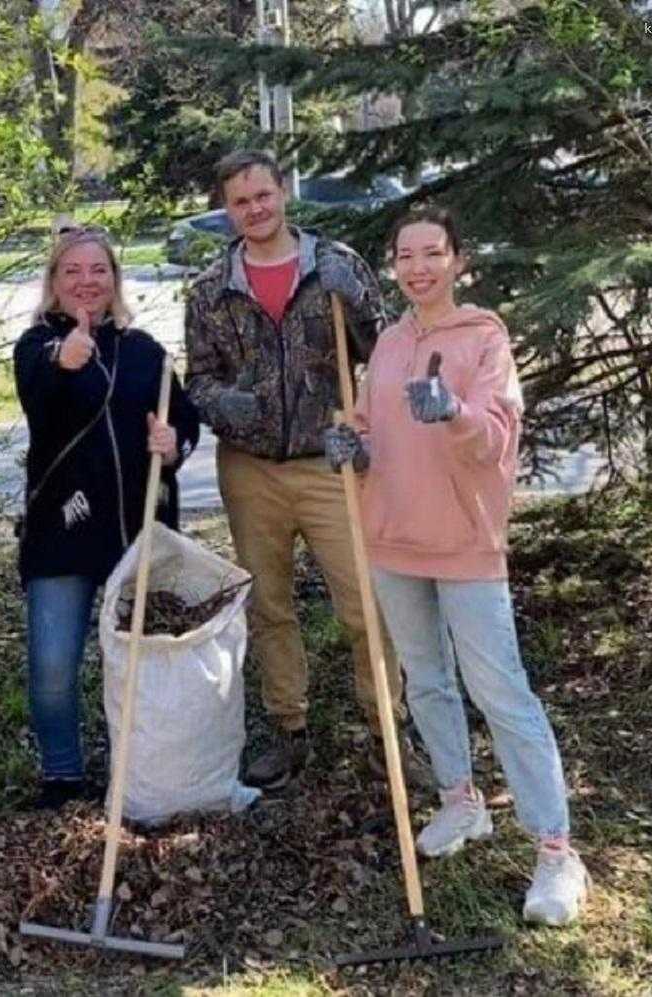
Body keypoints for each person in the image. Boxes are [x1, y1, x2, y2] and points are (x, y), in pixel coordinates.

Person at [324, 206, 589, 925]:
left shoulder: (483, 336)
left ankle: (557, 851)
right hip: (392, 541)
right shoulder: (386, 343)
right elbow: (375, 429)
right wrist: (355, 445)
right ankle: (460, 801)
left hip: (466, 543)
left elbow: (496, 436)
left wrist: (454, 414)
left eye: (432, 253)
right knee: (426, 680)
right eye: (405, 256)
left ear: (458, 260)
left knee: (500, 689)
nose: (417, 267)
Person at [183, 149, 419, 792]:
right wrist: (223, 405)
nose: (255, 210)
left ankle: (388, 731)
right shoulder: (210, 290)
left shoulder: (337, 265)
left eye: (263, 195)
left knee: (365, 604)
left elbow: (387, 354)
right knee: (269, 606)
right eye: (240, 201)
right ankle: (288, 729)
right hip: (251, 469)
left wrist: (364, 315)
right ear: (226, 210)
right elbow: (197, 380)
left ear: (281, 193)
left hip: (329, 463)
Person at [14, 226, 201, 810]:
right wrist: (64, 360)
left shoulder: (145, 351)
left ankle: (145, 768)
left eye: (98, 271)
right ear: (53, 283)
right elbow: (38, 399)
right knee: (52, 665)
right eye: (72, 271)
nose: (86, 282)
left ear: (115, 280)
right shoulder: (34, 348)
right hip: (62, 531)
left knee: (145, 662)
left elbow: (184, 421)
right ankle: (63, 778)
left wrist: (173, 445)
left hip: (136, 529)